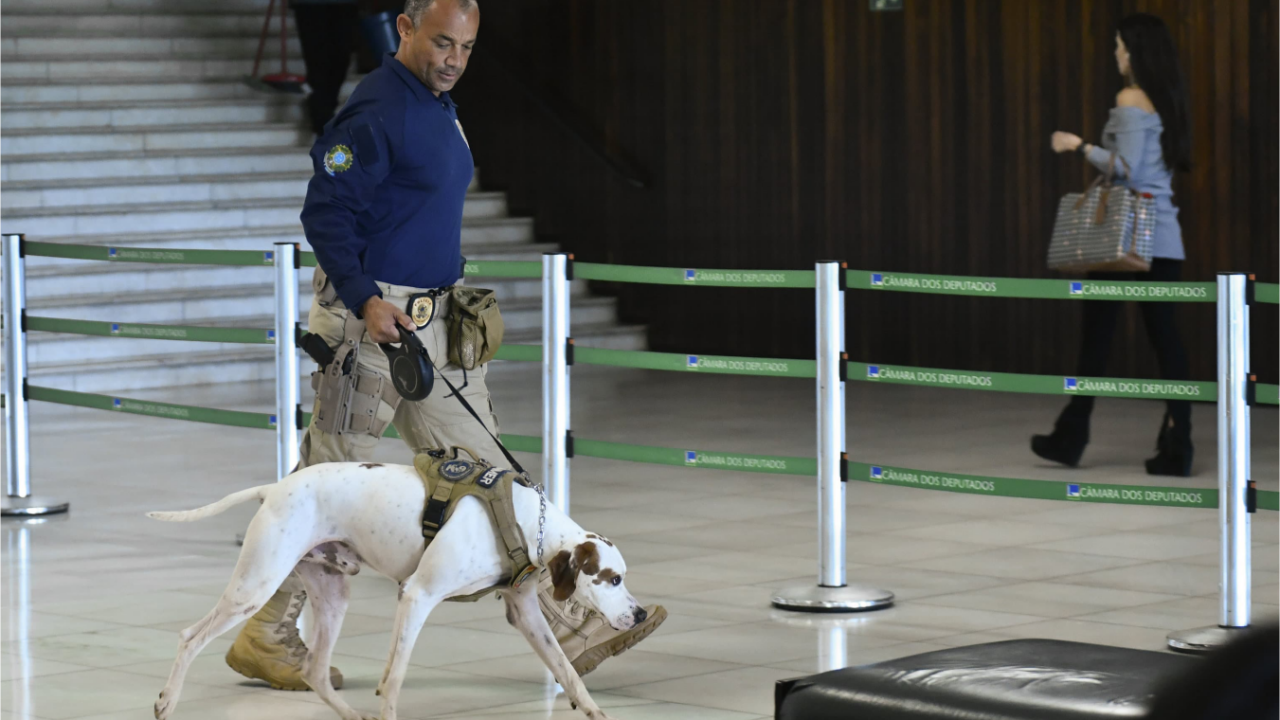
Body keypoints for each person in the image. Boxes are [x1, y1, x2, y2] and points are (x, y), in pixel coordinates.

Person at [224, 0, 667, 691]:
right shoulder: (375, 110)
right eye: (440, 43)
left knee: (493, 477)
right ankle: (265, 632)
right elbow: (325, 208)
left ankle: (578, 618)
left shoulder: (436, 105)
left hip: (429, 327)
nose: (453, 59)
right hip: (370, 323)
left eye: (464, 47)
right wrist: (367, 296)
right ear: (403, 30)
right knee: (323, 485)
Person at [1035, 13, 1194, 477]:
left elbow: (1124, 169)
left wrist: (1076, 144)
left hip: (1123, 237)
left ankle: (1072, 434)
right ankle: (1177, 441)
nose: (1116, 54)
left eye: (1120, 46)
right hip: (1162, 237)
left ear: (1136, 51)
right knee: (1167, 342)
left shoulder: (1130, 97)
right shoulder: (1166, 100)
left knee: (1096, 339)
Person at [291, 0, 359, 136]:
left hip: (344, 4)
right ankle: (321, 116)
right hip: (310, 5)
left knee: (342, 55)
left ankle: (322, 107)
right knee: (317, 60)